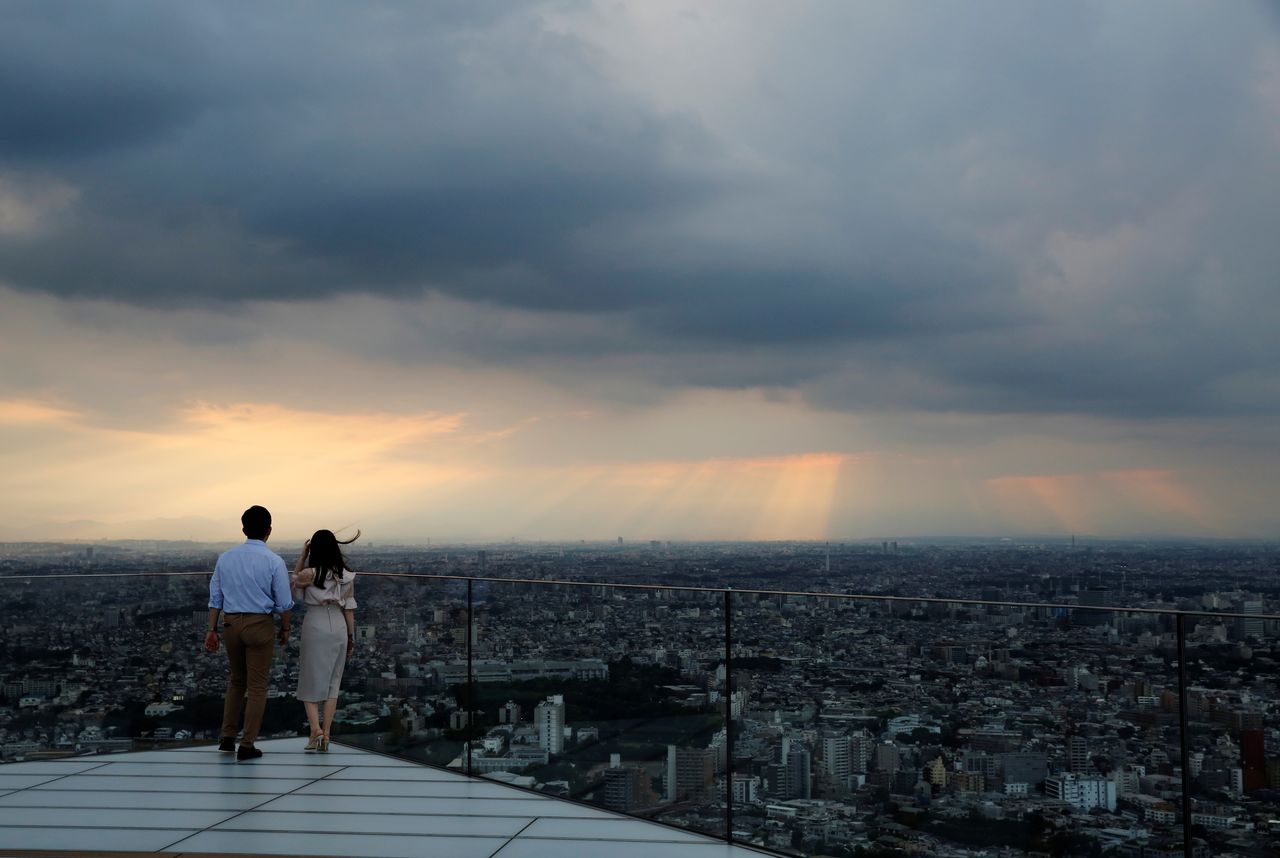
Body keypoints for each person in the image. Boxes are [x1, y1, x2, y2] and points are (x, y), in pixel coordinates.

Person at [203, 505, 293, 761]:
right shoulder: (274, 561)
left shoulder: (226, 558)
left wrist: (211, 629)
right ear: (269, 530)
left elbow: (215, 598)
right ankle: (247, 743)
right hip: (259, 624)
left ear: (243, 529)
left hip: (230, 624)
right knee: (257, 686)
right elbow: (285, 603)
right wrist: (285, 628)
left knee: (236, 681)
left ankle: (227, 737)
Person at [291, 528, 359, 752]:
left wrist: (302, 555)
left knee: (310, 678)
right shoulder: (346, 575)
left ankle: (315, 731)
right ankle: (327, 734)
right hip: (339, 623)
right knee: (333, 681)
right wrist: (350, 637)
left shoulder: (310, 574)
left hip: (316, 622)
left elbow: (294, 583)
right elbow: (349, 608)